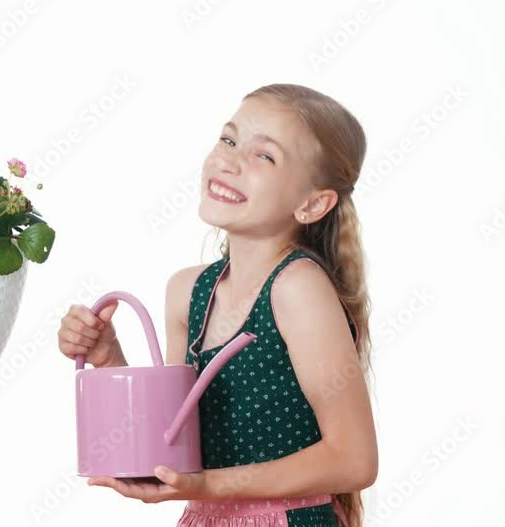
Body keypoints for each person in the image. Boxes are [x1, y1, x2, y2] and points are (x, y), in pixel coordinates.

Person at [58, 83, 377, 526]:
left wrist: (208, 486)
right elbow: (173, 441)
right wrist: (108, 358)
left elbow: (354, 460)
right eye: (229, 140)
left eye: (264, 156)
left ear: (312, 204)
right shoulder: (187, 291)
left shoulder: (297, 288)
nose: (229, 160)